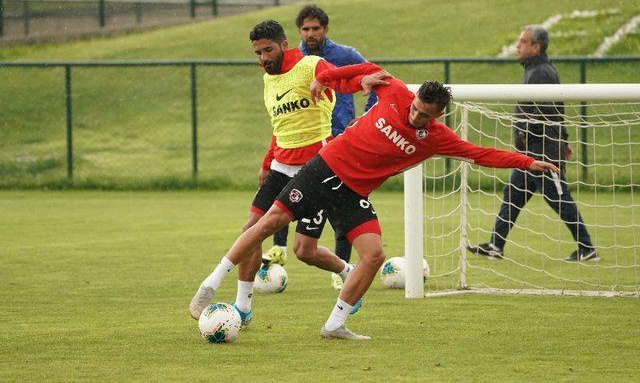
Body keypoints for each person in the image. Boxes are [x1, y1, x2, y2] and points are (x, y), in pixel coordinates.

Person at [189, 60, 559, 340]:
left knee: (374, 254)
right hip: (323, 170)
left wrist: (528, 162)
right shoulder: (395, 90)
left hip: (353, 194)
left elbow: (480, 154)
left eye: (425, 115)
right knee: (269, 223)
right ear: (412, 98)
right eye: (416, 108)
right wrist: (328, 80)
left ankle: (335, 325)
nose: (416, 115)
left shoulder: (438, 137)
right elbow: (362, 69)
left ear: (439, 115)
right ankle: (211, 282)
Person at [189, 20, 364, 326]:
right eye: (258, 53)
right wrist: (267, 160)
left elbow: (345, 79)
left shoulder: (311, 65)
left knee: (304, 251)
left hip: (315, 171)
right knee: (252, 228)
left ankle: (347, 272)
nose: (263, 58)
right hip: (280, 168)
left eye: (268, 50)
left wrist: (362, 85)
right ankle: (242, 306)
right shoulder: (269, 79)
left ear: (284, 45)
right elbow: (279, 126)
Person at [263, 4, 378, 290]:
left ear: (326, 29)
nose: (311, 33)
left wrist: (363, 119)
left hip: (341, 140)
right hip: (306, 141)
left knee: (338, 203)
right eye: (305, 29)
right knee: (287, 192)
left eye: (316, 28)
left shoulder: (345, 55)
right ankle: (280, 248)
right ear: (298, 32)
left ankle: (341, 265)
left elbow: (371, 82)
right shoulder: (294, 59)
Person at [467, 25, 597, 262]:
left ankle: (587, 248)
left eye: (523, 42)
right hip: (530, 152)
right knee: (513, 195)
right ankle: (496, 245)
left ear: (535, 47)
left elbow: (549, 111)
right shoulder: (534, 70)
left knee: (558, 197)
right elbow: (556, 109)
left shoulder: (541, 73)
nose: (518, 46)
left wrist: (531, 132)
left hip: (543, 151)